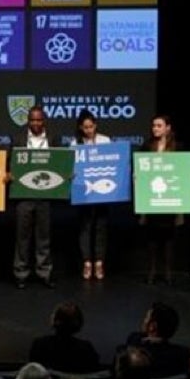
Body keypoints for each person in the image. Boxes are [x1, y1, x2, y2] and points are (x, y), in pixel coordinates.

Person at [12, 106, 55, 289]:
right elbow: (11, 164)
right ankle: (21, 273)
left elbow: (59, 163)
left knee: (43, 237)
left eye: (39, 120)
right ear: (27, 121)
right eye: (32, 120)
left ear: (44, 121)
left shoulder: (53, 139)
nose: (36, 123)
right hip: (24, 195)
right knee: (22, 237)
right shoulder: (18, 139)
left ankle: (44, 273)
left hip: (45, 195)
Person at [140, 115, 183, 285]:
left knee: (169, 237)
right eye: (153, 125)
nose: (155, 128)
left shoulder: (177, 147)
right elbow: (140, 167)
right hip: (152, 198)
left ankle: (167, 272)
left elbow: (182, 170)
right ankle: (151, 270)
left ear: (168, 128)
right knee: (152, 236)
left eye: (159, 125)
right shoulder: (147, 146)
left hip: (171, 199)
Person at [69, 110, 112, 281]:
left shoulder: (105, 141)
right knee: (85, 226)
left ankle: (99, 262)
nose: (88, 130)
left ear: (96, 125)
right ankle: (87, 262)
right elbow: (72, 167)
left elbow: (112, 163)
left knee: (101, 226)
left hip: (103, 192)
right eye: (85, 127)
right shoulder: (75, 143)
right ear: (81, 127)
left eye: (91, 126)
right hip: (83, 192)